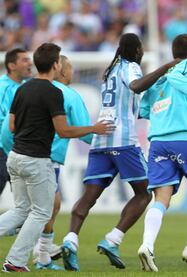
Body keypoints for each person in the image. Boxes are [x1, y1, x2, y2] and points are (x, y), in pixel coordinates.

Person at [61, 33, 179, 272]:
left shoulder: (111, 70)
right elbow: (136, 86)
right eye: (141, 49)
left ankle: (70, 241)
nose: (143, 52)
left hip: (101, 141)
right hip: (123, 140)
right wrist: (165, 67)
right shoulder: (130, 67)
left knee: (89, 196)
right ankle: (112, 240)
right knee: (145, 193)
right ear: (136, 51)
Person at [0, 42, 112, 273]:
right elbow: (64, 131)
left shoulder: (23, 88)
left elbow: (10, 125)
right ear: (55, 65)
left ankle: (26, 258)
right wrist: (94, 129)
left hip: (15, 156)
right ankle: (16, 261)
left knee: (22, 210)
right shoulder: (53, 93)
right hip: (36, 159)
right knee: (42, 211)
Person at [137, 34, 187, 272]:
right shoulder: (185, 67)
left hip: (159, 142)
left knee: (161, 198)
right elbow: (178, 79)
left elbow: (144, 109)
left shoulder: (158, 79)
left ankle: (147, 245)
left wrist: (163, 115)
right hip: (184, 138)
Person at [0, 48, 32, 196]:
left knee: (26, 203)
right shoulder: (3, 87)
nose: (30, 63)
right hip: (3, 150)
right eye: (24, 60)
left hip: (19, 150)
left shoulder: (27, 87)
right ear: (12, 66)